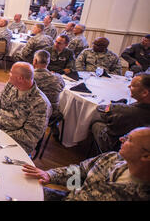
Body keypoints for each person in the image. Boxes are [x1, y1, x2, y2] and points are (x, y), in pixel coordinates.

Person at [22, 127, 150, 201]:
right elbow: (80, 172)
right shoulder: (111, 158)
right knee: (21, 190)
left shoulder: (140, 195)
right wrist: (50, 175)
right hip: (68, 197)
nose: (121, 139)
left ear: (146, 156)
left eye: (129, 140)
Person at [0, 62, 51, 154]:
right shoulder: (10, 85)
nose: (9, 74)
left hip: (15, 143)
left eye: (11, 72)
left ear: (20, 78)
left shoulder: (40, 103)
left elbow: (29, 136)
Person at [90, 73, 150, 152]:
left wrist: (114, 106)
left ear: (144, 93)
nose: (128, 87)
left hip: (118, 147)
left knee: (96, 119)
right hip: (142, 149)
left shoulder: (124, 110)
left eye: (132, 86)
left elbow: (100, 108)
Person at [33, 50, 65, 122]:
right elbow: (62, 87)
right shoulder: (58, 78)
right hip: (51, 114)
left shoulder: (28, 77)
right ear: (48, 62)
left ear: (35, 61)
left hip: (32, 113)